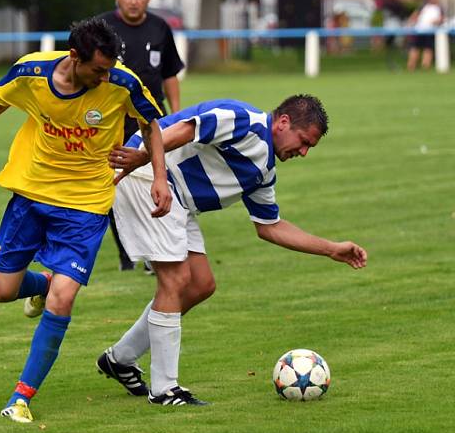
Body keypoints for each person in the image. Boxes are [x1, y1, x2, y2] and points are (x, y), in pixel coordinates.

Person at [0, 17, 172, 424]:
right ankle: (45, 282)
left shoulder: (121, 83)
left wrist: (158, 177)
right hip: (33, 194)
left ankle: (21, 397)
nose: (105, 76)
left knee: (64, 299)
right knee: (4, 291)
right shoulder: (32, 72)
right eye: (98, 69)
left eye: (110, 68)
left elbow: (151, 124)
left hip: (86, 204)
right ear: (74, 57)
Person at [96, 95, 368, 406]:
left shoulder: (264, 169)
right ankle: (164, 389)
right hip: (151, 178)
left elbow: (270, 227)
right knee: (175, 281)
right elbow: (186, 128)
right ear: (283, 123)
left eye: (309, 148)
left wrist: (332, 249)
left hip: (179, 199)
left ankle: (119, 359)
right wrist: (144, 159)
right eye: (304, 141)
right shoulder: (243, 120)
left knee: (200, 285)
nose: (303, 152)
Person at [98, 0, 185, 271]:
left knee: (154, 181)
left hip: (149, 122)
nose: (134, 0)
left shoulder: (161, 27)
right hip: (110, 123)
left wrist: (176, 113)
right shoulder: (101, 28)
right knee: (114, 184)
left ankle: (152, 253)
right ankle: (126, 254)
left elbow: (170, 73)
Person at [407, 0, 444, 71]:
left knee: (428, 49)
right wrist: (411, 23)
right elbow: (414, 16)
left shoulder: (439, 8)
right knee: (415, 48)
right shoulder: (423, 6)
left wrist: (437, 21)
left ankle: (425, 66)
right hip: (419, 30)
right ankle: (411, 66)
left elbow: (441, 19)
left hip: (430, 31)